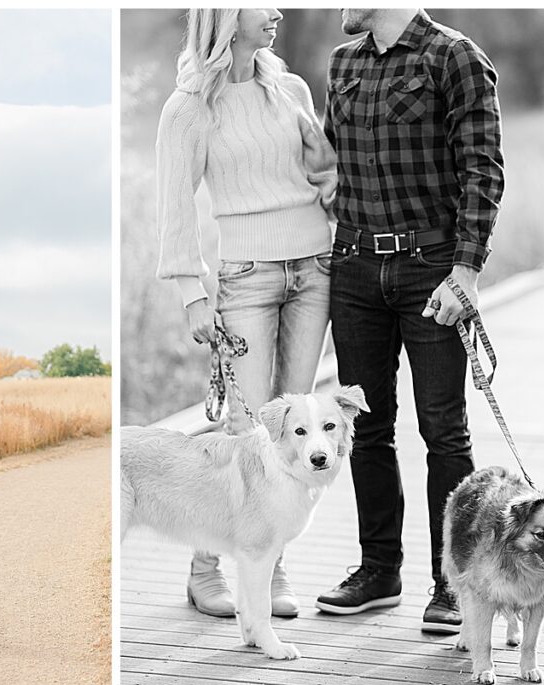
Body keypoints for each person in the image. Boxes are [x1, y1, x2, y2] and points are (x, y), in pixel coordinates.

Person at [315, 8, 504, 633]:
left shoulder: (455, 56)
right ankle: (379, 571)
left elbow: (483, 171)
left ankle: (454, 584)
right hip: (355, 265)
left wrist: (466, 274)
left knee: (444, 432)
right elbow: (330, 165)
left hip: (432, 269)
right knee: (366, 427)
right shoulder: (342, 64)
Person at [155, 8, 337, 618]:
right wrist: (191, 293)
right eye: (263, 4)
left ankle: (269, 567)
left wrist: (327, 165)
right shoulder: (187, 110)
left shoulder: (291, 88)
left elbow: (322, 177)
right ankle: (206, 567)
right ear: (228, 18)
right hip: (247, 280)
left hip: (316, 269)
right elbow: (175, 209)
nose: (278, 12)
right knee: (250, 430)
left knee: (297, 422)